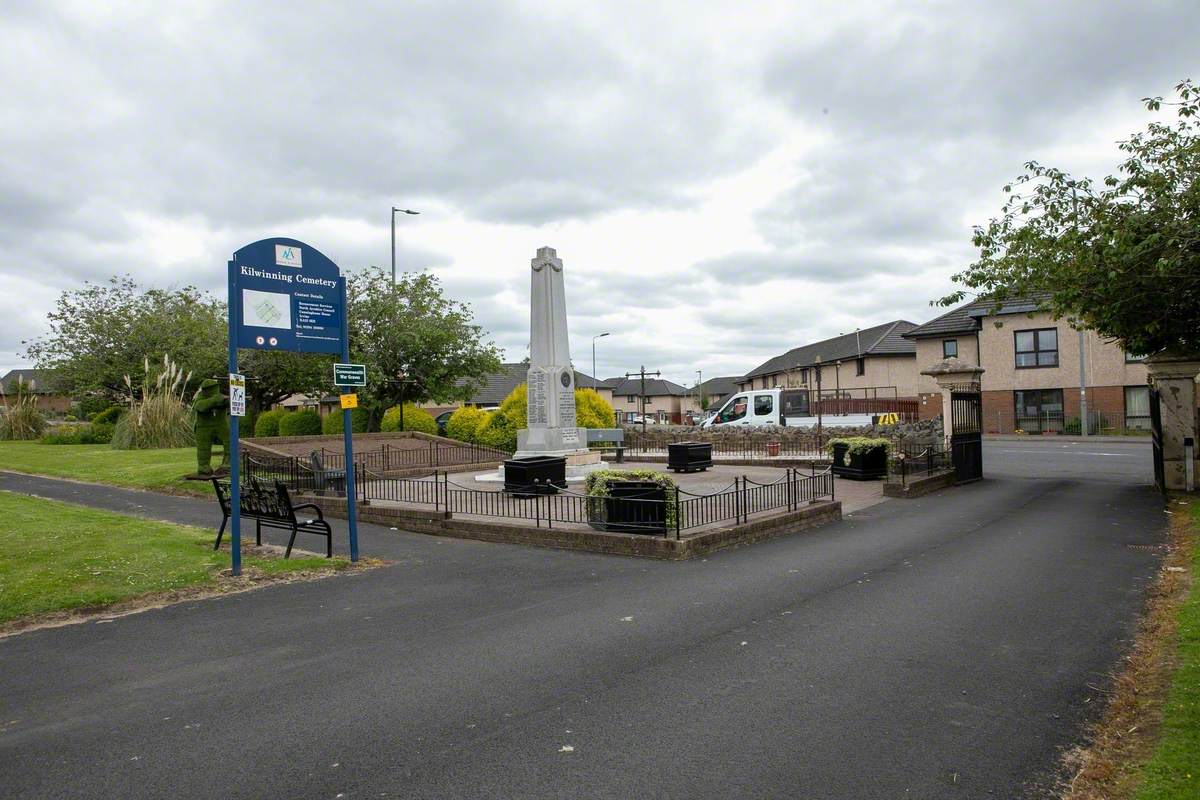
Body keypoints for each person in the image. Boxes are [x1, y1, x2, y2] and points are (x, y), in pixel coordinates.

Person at [192, 379, 230, 475]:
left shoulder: (221, 397)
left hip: (221, 424)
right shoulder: (200, 398)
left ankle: (228, 464)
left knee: (230, 443)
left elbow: (230, 403)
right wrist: (215, 400)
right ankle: (203, 467)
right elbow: (200, 406)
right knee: (203, 448)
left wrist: (225, 401)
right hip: (203, 427)